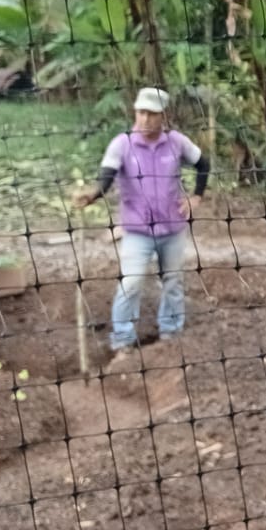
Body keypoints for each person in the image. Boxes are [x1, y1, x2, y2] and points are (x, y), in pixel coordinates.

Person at [70, 87, 209, 367]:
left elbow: (203, 163)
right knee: (131, 283)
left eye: (151, 114)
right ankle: (123, 342)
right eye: (141, 112)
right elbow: (107, 177)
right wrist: (92, 194)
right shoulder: (122, 144)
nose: (145, 119)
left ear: (163, 116)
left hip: (172, 227)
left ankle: (171, 335)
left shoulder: (177, 142)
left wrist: (196, 196)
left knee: (173, 281)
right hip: (137, 230)